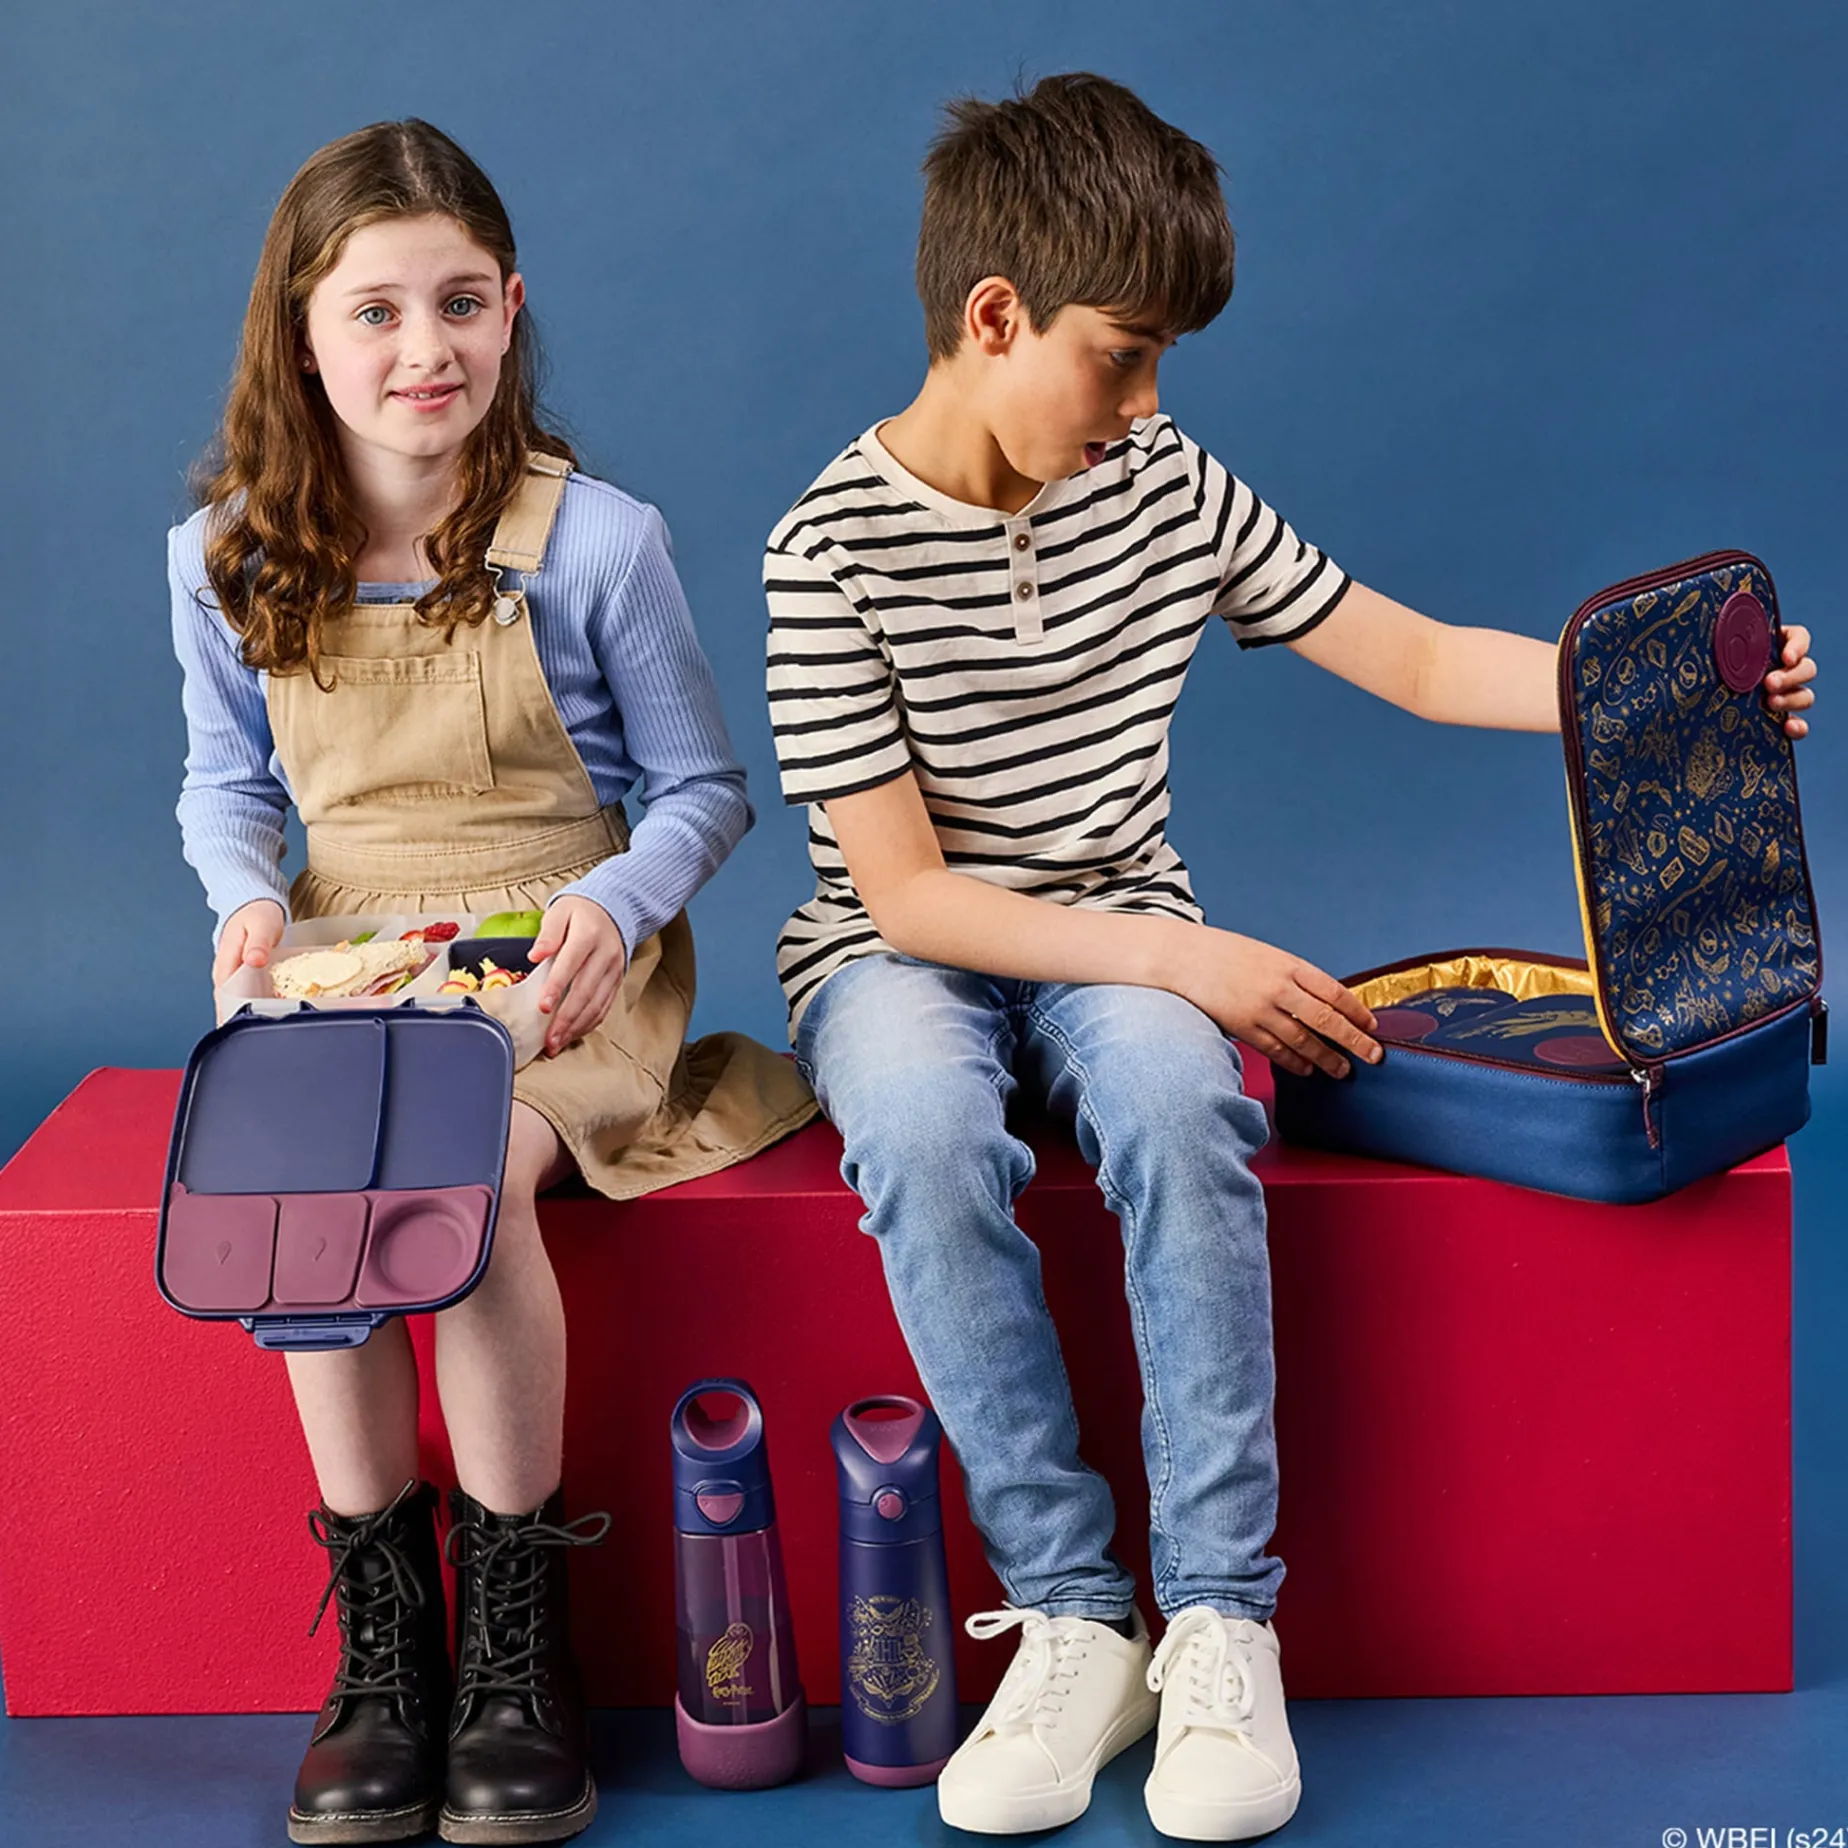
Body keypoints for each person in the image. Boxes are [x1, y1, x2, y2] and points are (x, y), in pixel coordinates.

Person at [763, 73, 1818, 1842]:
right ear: (995, 317)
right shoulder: (827, 552)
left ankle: (1218, 1622)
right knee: (926, 1128)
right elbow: (917, 901)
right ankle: (1076, 1618)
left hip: (1120, 931)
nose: (1148, 405)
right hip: (901, 948)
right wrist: (1200, 961)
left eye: (1164, 365)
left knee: (1185, 1113)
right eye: (1122, 358)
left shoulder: (1160, 482)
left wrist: (1673, 693)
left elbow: (1413, 657)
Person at [171, 119, 814, 1845]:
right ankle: (389, 1642)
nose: (423, 350)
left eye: (459, 304)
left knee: (462, 1169)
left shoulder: (594, 540)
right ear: (302, 334)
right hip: (348, 948)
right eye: (375, 312)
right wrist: (247, 904)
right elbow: (228, 786)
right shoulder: (225, 554)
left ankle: (521, 1635)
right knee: (310, 1183)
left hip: (562, 954)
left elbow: (702, 790)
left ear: (512, 310)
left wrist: (616, 903)